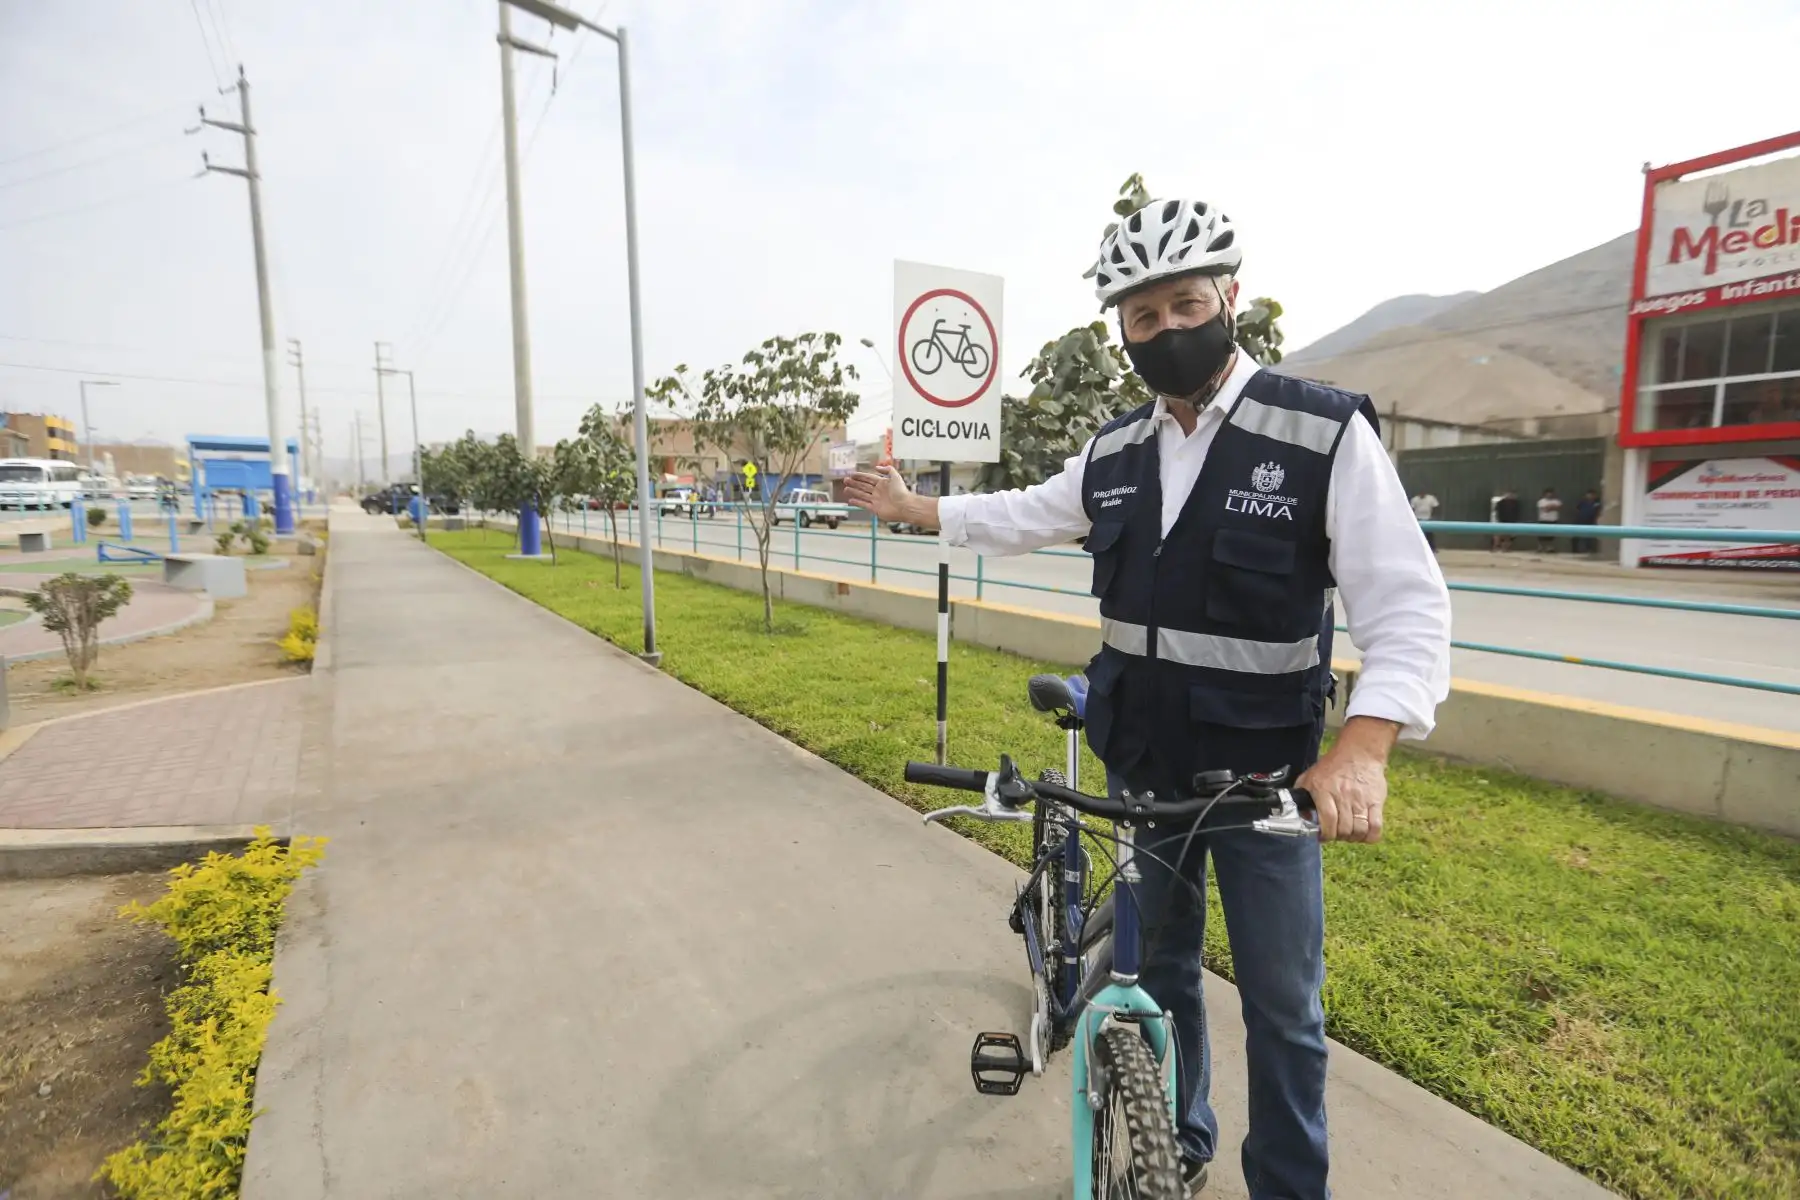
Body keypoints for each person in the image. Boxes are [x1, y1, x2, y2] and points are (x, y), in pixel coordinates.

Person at [846, 196, 1451, 1199]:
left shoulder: (1321, 433)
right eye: (1144, 318)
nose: (1167, 330)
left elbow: (1409, 606)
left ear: (1230, 299)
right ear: (1120, 331)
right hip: (1140, 766)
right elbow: (1025, 511)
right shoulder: (1118, 449)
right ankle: (1180, 1142)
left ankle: (1289, 1186)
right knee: (1158, 976)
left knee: (1284, 1009)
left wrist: (1367, 749)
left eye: (1185, 305)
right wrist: (918, 508)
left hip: (1265, 785)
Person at [1574, 488, 1602, 555]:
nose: (1591, 496)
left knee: (1589, 536)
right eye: (1589, 495)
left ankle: (1588, 549)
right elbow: (1578, 509)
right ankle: (1580, 549)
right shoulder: (1583, 502)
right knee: (1581, 536)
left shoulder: (1597, 503)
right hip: (1582, 520)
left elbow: (1599, 511)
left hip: (1591, 521)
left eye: (1592, 495)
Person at [1536, 487, 1562, 552]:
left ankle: (1549, 548)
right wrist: (1552, 507)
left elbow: (1558, 508)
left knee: (1551, 535)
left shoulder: (1557, 501)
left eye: (1551, 493)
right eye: (1548, 493)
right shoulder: (1541, 501)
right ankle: (1540, 547)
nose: (1549, 495)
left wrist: (1549, 507)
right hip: (1543, 520)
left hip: (1553, 520)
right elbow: (1545, 509)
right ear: (1545, 494)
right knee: (1541, 535)